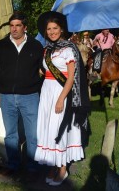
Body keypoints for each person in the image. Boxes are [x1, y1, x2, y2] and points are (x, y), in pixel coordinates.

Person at [34, 11, 90, 186]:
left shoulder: (68, 48)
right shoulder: (47, 50)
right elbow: (45, 71)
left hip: (61, 92)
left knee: (59, 128)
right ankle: (53, 163)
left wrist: (61, 99)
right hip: (47, 92)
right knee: (48, 128)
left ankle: (63, 168)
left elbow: (72, 77)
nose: (51, 32)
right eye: (49, 29)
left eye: (55, 28)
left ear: (62, 29)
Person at [0, 11, 43, 178]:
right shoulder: (1, 45)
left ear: (25, 27)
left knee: (32, 135)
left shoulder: (36, 46)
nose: (14, 29)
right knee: (11, 134)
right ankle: (13, 165)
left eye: (18, 25)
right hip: (7, 97)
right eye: (12, 26)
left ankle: (32, 167)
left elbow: (45, 69)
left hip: (30, 96)